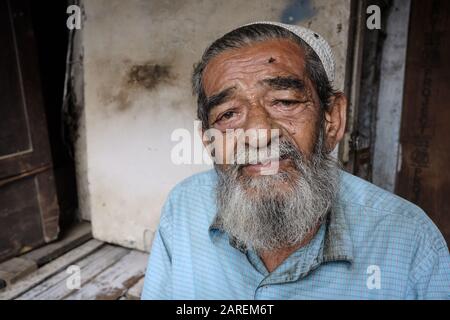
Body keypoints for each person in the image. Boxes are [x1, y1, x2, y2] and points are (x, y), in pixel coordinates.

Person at [141, 21, 450, 299]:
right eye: (228, 114)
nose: (259, 134)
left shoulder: (410, 241)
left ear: (332, 119)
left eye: (285, 102)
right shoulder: (183, 207)